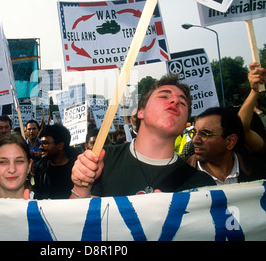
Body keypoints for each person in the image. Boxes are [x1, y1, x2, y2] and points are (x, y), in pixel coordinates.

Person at [70, 74, 216, 198]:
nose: (175, 101)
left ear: (186, 122)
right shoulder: (104, 159)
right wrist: (82, 186)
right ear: (140, 112)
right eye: (164, 96)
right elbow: (78, 225)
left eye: (183, 102)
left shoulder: (202, 185)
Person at [185, 107, 266, 185]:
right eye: (193, 133)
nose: (195, 140)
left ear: (230, 141)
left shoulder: (261, 173)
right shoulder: (178, 176)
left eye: (205, 134)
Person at [32, 124, 77, 199]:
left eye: (45, 143)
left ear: (60, 145)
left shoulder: (76, 169)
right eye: (40, 143)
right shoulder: (38, 169)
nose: (40, 147)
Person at [0, 133, 33, 199]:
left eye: (19, 161)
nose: (12, 170)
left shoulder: (48, 207)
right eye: (3, 162)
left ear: (29, 166)